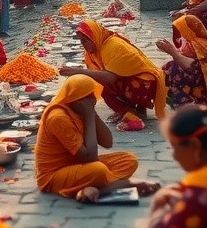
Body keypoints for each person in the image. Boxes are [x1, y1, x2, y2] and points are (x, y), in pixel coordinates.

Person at [34, 74, 142, 202]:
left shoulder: (80, 110)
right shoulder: (58, 117)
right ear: (76, 99)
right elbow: (91, 158)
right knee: (99, 170)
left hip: (78, 165)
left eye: (93, 96)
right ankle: (119, 184)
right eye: (88, 96)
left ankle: (93, 188)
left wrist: (92, 114)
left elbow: (108, 142)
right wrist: (89, 115)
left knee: (129, 160)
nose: (93, 100)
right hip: (53, 177)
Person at [61, 19, 167, 120]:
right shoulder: (93, 52)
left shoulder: (112, 45)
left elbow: (110, 78)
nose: (83, 44)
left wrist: (78, 71)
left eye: (85, 40)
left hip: (146, 83)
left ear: (94, 37)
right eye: (81, 41)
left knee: (102, 83)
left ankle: (132, 110)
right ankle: (128, 111)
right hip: (133, 80)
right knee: (95, 82)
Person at [156, 15, 207, 111]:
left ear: (189, 30)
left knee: (173, 67)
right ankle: (176, 97)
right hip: (198, 82)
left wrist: (173, 52)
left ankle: (186, 102)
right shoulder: (191, 43)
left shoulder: (204, 46)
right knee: (167, 67)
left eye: (181, 29)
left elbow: (193, 67)